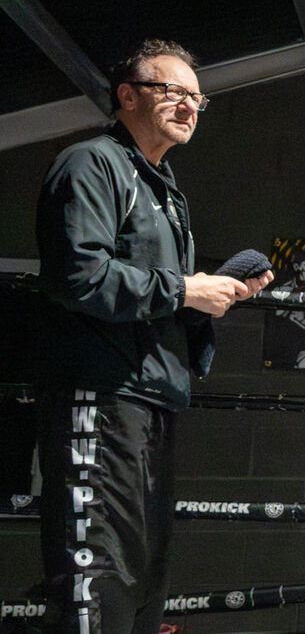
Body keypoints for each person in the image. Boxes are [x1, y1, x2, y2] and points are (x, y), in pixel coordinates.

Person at [33, 39, 272, 634]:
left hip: (153, 400)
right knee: (99, 580)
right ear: (128, 95)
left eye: (197, 98)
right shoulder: (92, 163)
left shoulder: (165, 189)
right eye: (173, 92)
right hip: (101, 395)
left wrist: (216, 294)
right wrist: (186, 289)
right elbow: (79, 277)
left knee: (142, 586)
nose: (189, 106)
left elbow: (161, 298)